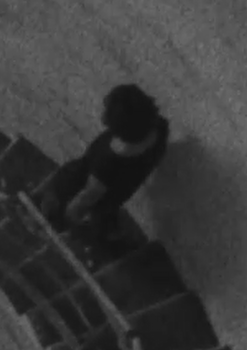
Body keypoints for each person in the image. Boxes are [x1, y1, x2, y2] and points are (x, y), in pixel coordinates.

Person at [35, 84, 170, 245]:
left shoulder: (108, 160)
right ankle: (106, 229)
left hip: (87, 183)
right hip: (121, 190)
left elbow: (91, 193)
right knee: (104, 211)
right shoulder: (159, 128)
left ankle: (54, 222)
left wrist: (71, 214)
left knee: (61, 189)